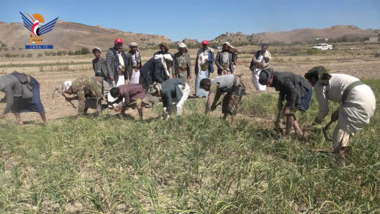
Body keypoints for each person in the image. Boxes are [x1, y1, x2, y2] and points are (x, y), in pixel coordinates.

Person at [304, 66, 376, 156]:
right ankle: (344, 154)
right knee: (346, 130)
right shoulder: (333, 77)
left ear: (314, 79)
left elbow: (324, 110)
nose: (310, 83)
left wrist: (317, 120)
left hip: (357, 99)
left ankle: (339, 160)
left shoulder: (319, 85)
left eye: (310, 81)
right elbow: (346, 92)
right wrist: (338, 113)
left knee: (339, 134)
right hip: (367, 95)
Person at [259, 68, 313, 138]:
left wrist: (288, 107)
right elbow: (283, 89)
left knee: (290, 111)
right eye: (266, 84)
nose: (268, 86)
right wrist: (280, 101)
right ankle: (298, 132)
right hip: (295, 90)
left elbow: (293, 92)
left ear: (271, 76)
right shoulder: (276, 79)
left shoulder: (279, 78)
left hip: (304, 90)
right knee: (289, 109)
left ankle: (287, 135)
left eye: (268, 83)